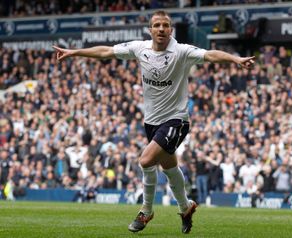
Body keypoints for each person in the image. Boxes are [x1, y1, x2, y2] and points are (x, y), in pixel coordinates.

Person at [53, 10, 255, 234]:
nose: (161, 29)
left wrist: (235, 59)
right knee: (169, 167)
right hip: (152, 122)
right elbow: (106, 51)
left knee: (146, 161)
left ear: (171, 29)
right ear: (150, 30)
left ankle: (146, 211)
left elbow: (210, 54)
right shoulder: (140, 49)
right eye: (157, 25)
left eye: (165, 25)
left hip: (176, 120)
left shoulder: (181, 51)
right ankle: (185, 207)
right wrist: (74, 52)